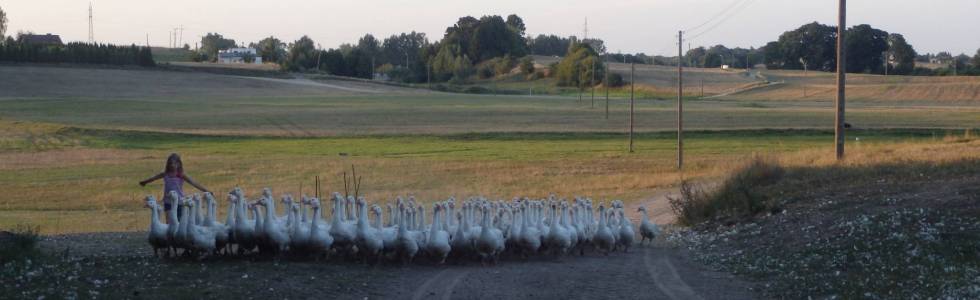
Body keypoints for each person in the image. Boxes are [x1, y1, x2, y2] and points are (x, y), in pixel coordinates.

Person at [139, 153, 210, 224]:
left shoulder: (181, 175)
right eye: (170, 163)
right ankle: (170, 234)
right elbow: (154, 178)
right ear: (168, 164)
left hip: (179, 202)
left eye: (174, 163)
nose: (172, 165)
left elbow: (194, 183)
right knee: (169, 222)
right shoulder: (165, 174)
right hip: (168, 202)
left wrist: (206, 191)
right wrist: (145, 182)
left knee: (179, 221)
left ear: (179, 164)